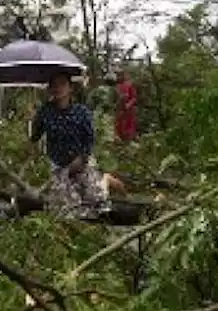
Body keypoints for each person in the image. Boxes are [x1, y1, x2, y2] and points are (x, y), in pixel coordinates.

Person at [29, 73, 110, 219]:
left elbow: (90, 139)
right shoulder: (45, 112)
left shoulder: (82, 112)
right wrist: (34, 118)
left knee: (98, 204)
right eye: (53, 85)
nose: (57, 88)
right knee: (68, 211)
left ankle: (105, 180)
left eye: (62, 84)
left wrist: (82, 158)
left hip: (83, 161)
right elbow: (34, 137)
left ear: (70, 88)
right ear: (49, 89)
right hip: (59, 166)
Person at [115, 69, 139, 142]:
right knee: (119, 127)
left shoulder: (129, 85)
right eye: (118, 75)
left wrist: (128, 104)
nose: (119, 77)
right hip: (119, 111)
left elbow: (134, 97)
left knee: (129, 128)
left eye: (121, 75)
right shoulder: (116, 86)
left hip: (128, 111)